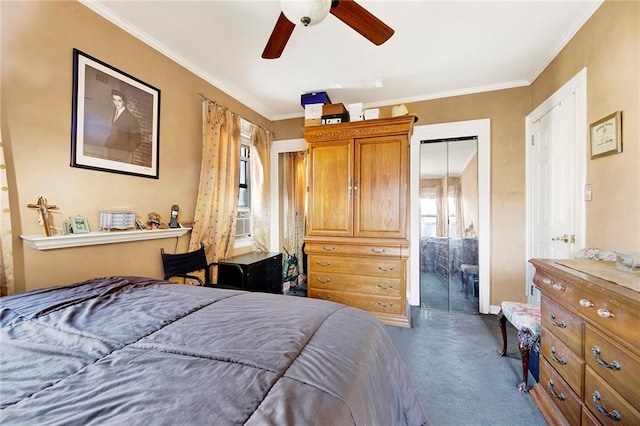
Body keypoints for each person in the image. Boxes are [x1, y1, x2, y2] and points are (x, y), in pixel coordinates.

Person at [105, 89, 141, 163]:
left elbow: (136, 140)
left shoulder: (131, 119)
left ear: (124, 102)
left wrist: (125, 153)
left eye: (119, 101)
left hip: (121, 156)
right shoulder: (115, 112)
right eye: (114, 100)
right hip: (111, 150)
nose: (116, 103)